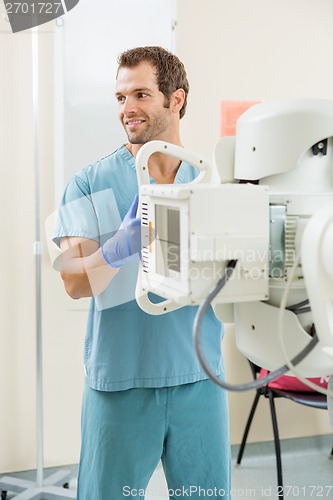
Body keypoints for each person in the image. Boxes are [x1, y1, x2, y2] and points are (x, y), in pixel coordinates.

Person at [53, 46, 231, 499]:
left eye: (141, 95)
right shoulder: (89, 182)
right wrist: (119, 247)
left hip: (199, 379)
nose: (127, 109)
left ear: (176, 98)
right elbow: (74, 282)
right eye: (119, 98)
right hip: (120, 385)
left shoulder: (211, 181)